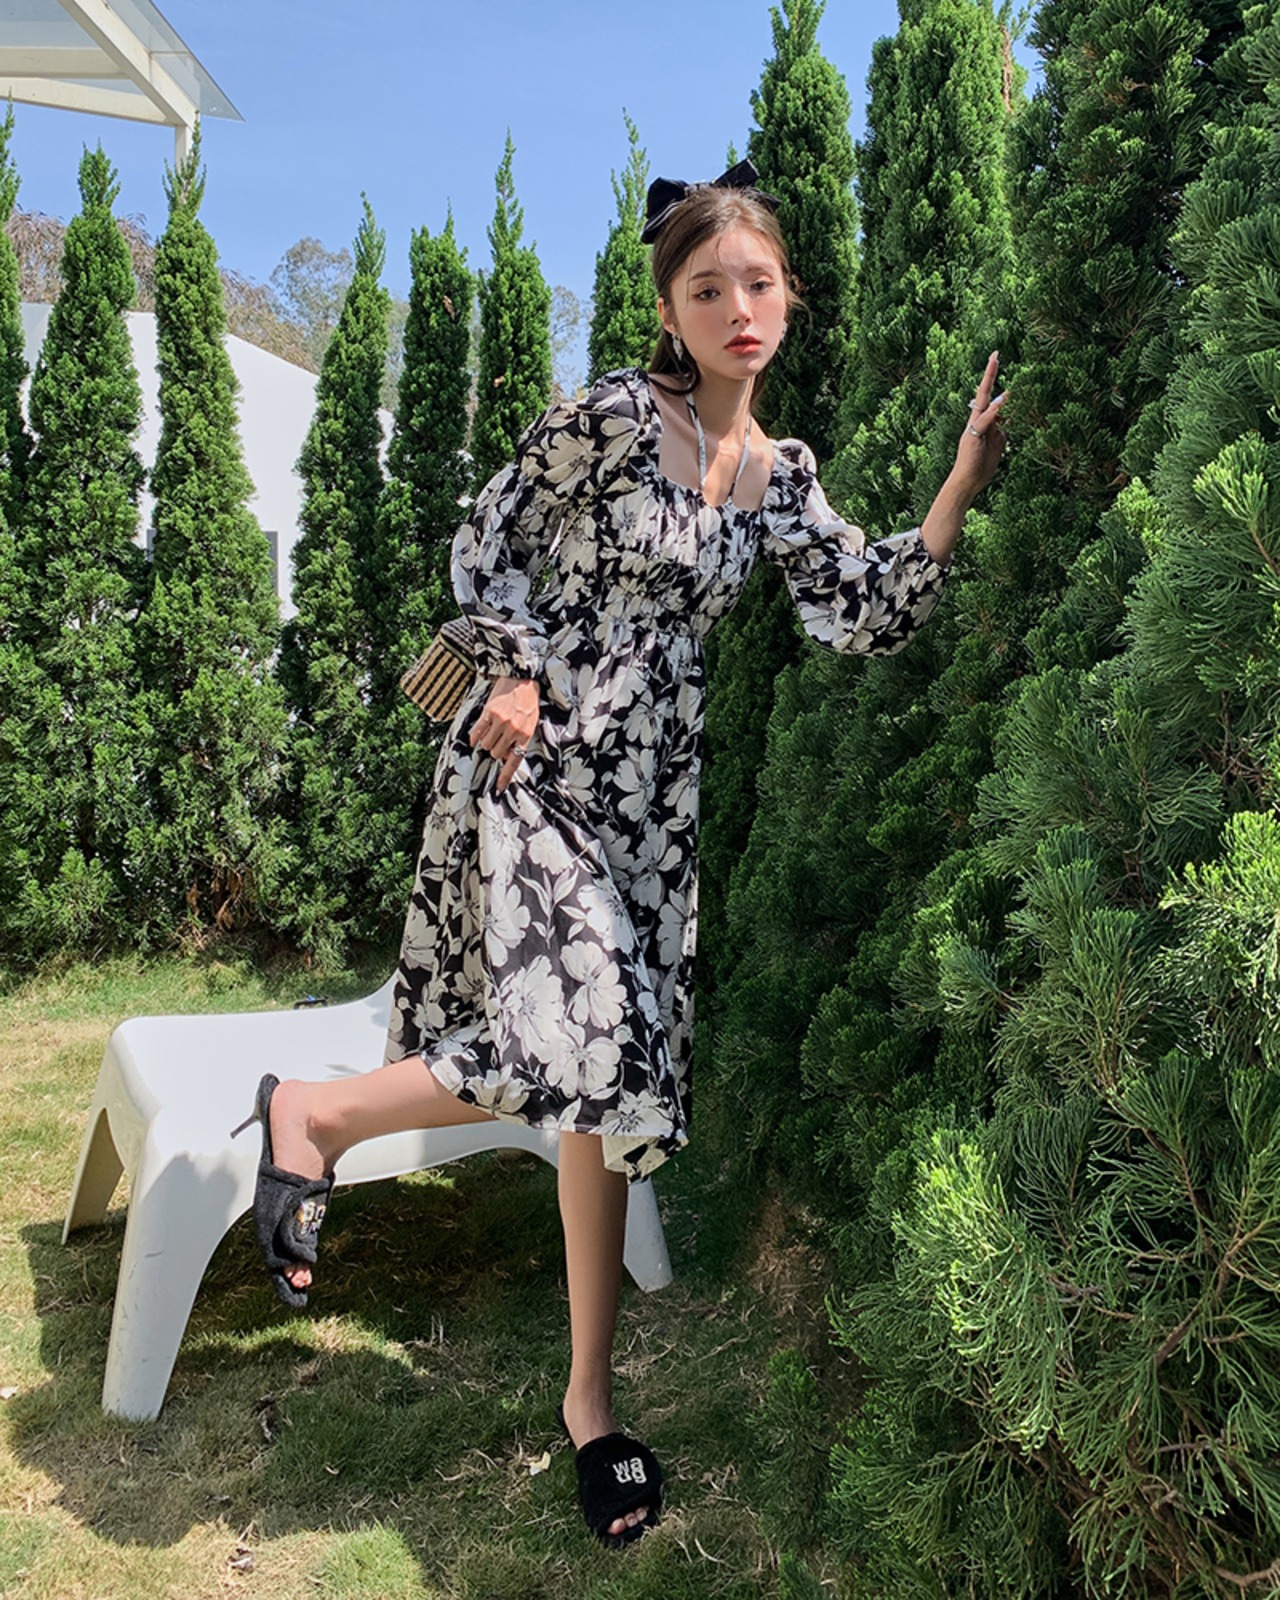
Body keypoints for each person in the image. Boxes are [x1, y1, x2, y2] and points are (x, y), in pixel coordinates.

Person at [234, 158, 1011, 1548]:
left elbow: (861, 609)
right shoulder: (609, 417)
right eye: (706, 288)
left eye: (757, 285)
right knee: (573, 1044)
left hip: (651, 811)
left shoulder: (780, 475)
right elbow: (486, 541)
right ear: (669, 308)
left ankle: (589, 1402)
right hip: (536, 765)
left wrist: (958, 485)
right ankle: (314, 1115)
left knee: (601, 1093)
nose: (736, 309)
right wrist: (514, 669)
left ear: (790, 300)